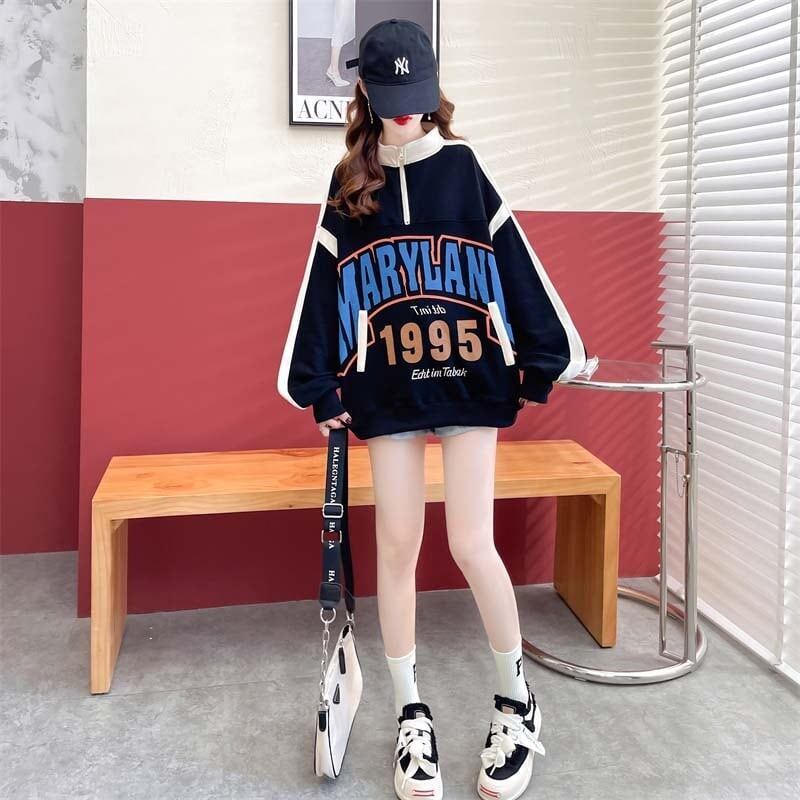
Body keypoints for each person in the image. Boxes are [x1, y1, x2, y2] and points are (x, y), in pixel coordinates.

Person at [277, 18, 589, 800]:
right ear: (366, 95)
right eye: (392, 100)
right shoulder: (350, 182)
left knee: (472, 542)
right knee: (398, 547)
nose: (406, 113)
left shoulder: (463, 168)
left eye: (417, 97)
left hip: (470, 384)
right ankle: (410, 713)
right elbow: (320, 288)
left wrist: (542, 359)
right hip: (388, 390)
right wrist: (317, 384)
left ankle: (516, 700)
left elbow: (517, 264)